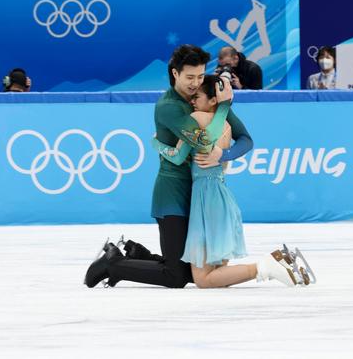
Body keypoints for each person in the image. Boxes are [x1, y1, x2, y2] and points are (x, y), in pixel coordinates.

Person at [84, 45, 288, 289]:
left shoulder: (207, 99)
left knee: (196, 271)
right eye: (190, 77)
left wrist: (223, 154)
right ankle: (112, 265)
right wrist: (223, 107)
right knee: (178, 276)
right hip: (174, 193)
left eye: (200, 76)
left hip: (202, 196)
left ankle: (137, 254)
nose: (195, 83)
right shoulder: (169, 107)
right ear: (175, 74)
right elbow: (203, 140)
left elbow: (246, 139)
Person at [152, 76, 305, 288]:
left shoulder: (196, 118)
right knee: (216, 275)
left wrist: (157, 143)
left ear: (213, 100)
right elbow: (229, 139)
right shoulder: (225, 125)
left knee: (203, 280)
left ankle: (267, 266)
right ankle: (272, 266)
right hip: (222, 198)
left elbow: (178, 156)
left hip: (206, 199)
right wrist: (223, 149)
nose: (192, 101)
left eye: (197, 97)